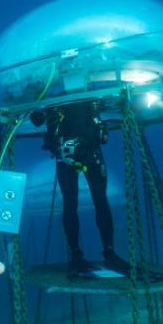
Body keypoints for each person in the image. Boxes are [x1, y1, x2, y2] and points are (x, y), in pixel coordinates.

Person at [30, 99, 130, 277]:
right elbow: (37, 118)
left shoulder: (67, 97)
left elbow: (38, 117)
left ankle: (105, 253)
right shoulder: (56, 96)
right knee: (79, 203)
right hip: (71, 154)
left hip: (87, 152)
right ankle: (81, 255)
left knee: (96, 201)